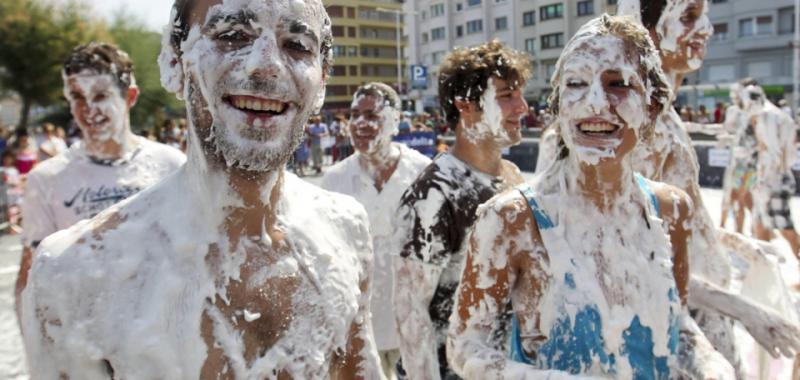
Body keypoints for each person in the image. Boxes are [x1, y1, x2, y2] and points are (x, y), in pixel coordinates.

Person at [21, 1, 383, 378]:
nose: (267, 64)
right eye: (232, 36)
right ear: (174, 64)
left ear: (322, 80)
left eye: (296, 45)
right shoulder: (75, 273)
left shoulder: (346, 229)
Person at [448, 15, 733, 379]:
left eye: (618, 84)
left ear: (651, 108)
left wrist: (710, 363)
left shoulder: (671, 209)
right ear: (560, 105)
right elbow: (466, 346)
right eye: (577, 84)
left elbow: (675, 321)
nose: (595, 102)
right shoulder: (511, 219)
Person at [617, 0, 800, 375]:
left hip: (702, 313)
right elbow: (634, 255)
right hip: (679, 325)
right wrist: (741, 307)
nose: (707, 29)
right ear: (646, 32)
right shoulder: (640, 127)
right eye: (688, 17)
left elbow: (683, 222)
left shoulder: (665, 118)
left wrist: (737, 243)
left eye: (704, 15)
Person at [15, 42, 186, 313]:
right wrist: (38, 351)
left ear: (129, 96)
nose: (88, 108)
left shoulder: (172, 166)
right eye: (77, 96)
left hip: (160, 335)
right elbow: (30, 280)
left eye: (100, 95)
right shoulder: (46, 180)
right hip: (82, 339)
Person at [394, 40, 529, 379]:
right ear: (466, 106)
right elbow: (411, 314)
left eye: (519, 94)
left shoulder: (512, 176)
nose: (522, 107)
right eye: (506, 96)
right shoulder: (432, 195)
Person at [322, 83, 431, 379]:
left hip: (416, 327)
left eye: (371, 115)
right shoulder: (335, 180)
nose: (360, 123)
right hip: (357, 330)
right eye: (355, 114)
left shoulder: (424, 174)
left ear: (394, 121)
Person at [742, 80, 800, 258]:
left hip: (775, 181)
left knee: (785, 229)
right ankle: (767, 274)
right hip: (767, 181)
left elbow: (776, 154)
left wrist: (766, 182)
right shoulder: (765, 116)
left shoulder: (769, 117)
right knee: (761, 227)